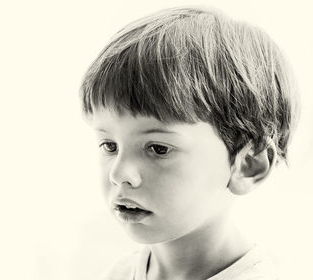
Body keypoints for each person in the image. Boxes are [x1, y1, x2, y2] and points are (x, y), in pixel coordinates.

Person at [80, 6, 299, 280]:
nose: (119, 174)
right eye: (109, 146)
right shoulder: (120, 273)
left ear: (248, 164)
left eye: (158, 149)